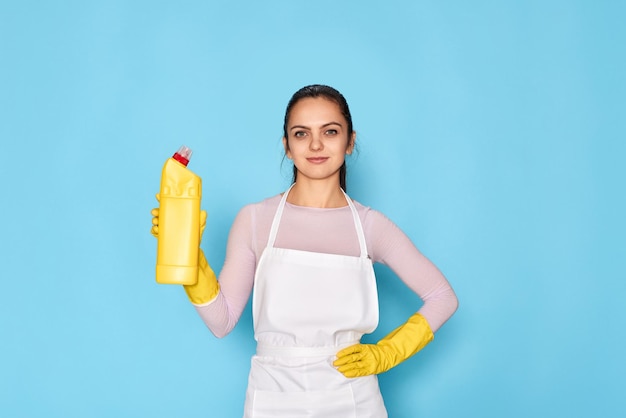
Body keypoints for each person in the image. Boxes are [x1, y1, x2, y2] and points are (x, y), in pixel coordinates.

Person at [151, 84, 458, 417]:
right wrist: (187, 255)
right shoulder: (255, 219)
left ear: (350, 141)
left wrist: (386, 353)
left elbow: (443, 297)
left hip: (352, 395)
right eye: (301, 133)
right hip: (273, 394)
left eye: (330, 131)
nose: (315, 145)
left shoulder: (371, 226)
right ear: (287, 146)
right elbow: (221, 321)